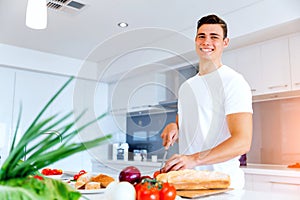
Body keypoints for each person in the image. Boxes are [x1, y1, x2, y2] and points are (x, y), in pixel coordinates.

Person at [160, 14, 253, 189]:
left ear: (225, 42)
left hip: (221, 185)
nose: (206, 42)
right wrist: (174, 127)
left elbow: (242, 141)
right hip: (188, 183)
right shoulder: (186, 87)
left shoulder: (233, 82)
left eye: (214, 37)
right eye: (201, 36)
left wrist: (193, 159)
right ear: (195, 40)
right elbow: (186, 130)